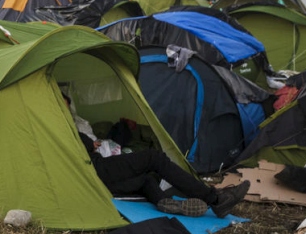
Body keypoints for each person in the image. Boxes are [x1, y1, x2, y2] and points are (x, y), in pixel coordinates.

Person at [64, 93, 250, 218]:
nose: (65, 111)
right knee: (153, 157)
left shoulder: (62, 126)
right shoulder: (58, 128)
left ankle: (163, 202)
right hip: (95, 169)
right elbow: (84, 145)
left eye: (66, 108)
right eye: (62, 107)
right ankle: (215, 199)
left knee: (144, 178)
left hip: (94, 173)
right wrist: (90, 143)